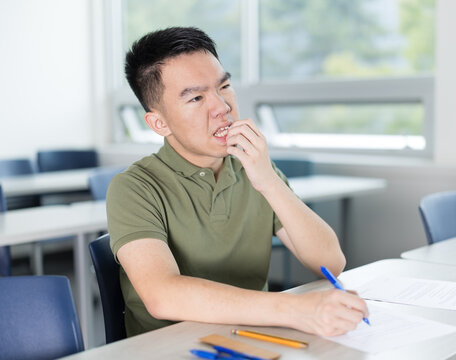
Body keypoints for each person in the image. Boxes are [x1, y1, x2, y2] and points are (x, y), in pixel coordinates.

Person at [107, 26, 368, 338]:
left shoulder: (254, 169)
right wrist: (296, 310)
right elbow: (162, 295)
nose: (222, 107)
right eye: (196, 98)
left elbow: (331, 263)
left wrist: (268, 180)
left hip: (256, 338)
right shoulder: (134, 187)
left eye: (225, 86)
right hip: (174, 348)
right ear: (159, 123)